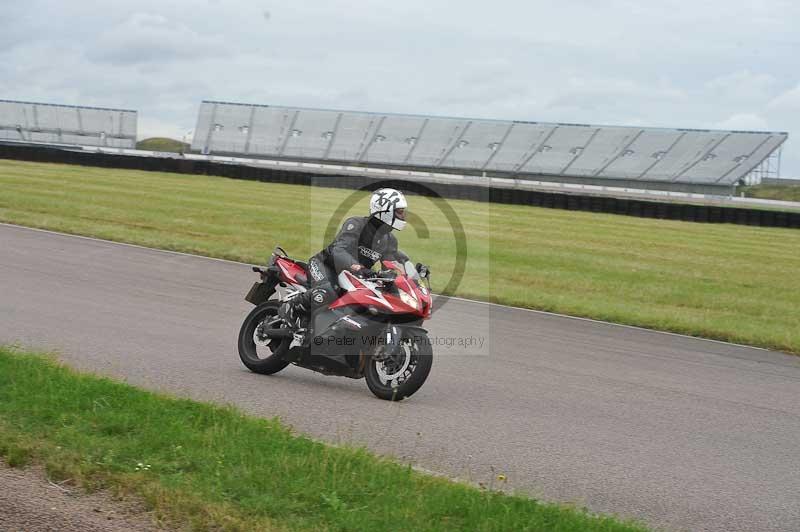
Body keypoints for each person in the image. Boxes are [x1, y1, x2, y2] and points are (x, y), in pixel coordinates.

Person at [279, 188, 412, 344]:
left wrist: (405, 274)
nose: (403, 216)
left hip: (354, 276)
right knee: (329, 290)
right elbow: (338, 250)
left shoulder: (389, 240)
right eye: (399, 211)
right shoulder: (356, 224)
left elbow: (389, 264)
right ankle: (291, 306)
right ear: (385, 210)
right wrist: (358, 267)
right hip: (325, 265)